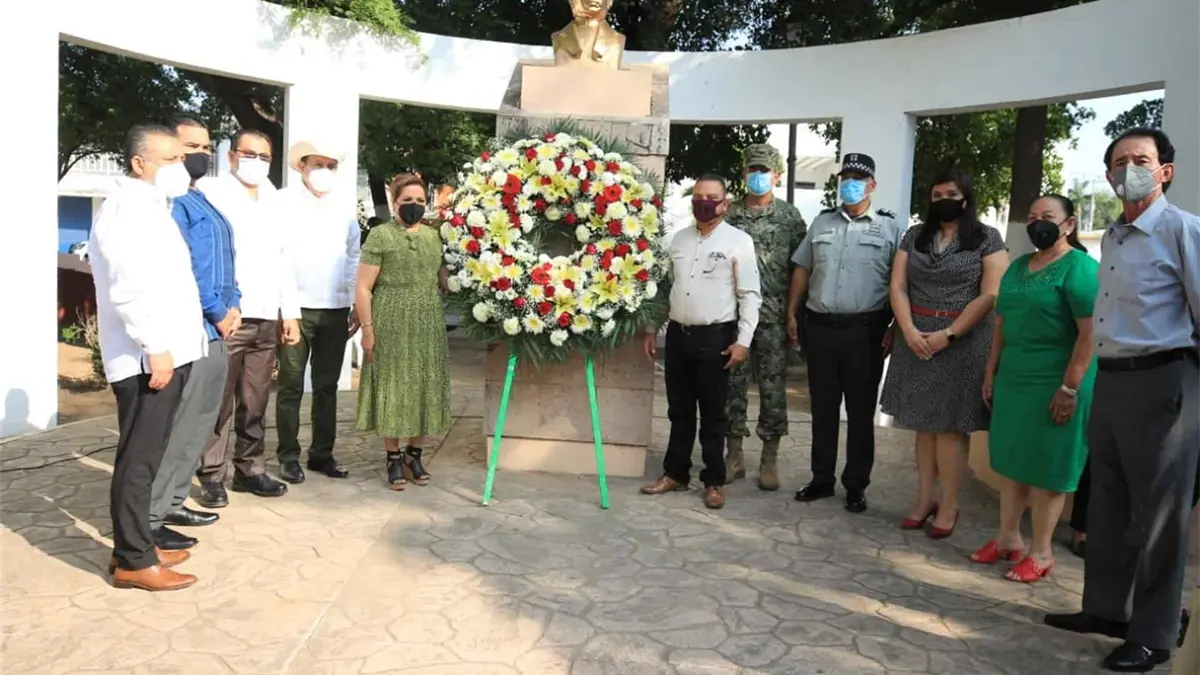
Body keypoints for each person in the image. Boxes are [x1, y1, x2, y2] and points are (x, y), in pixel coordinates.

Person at [1045, 127, 1200, 674]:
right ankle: (1107, 609)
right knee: (1107, 504)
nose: (1128, 169)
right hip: (1110, 379)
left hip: (1163, 382)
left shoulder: (1182, 229)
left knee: (1159, 517)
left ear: (1165, 172)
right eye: (1119, 161)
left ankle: (1154, 634)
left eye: (1141, 159)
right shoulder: (1113, 236)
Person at [89, 124, 207, 590]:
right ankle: (134, 560)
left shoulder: (154, 207)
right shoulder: (125, 211)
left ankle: (136, 545)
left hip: (167, 351)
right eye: (171, 159)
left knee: (149, 455)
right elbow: (128, 288)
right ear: (140, 163)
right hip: (147, 358)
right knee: (138, 460)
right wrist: (154, 348)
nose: (182, 166)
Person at [972, 194, 1098, 584]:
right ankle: (1008, 537)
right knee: (1014, 462)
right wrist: (991, 370)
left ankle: (1041, 552)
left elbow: (1091, 333)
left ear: (1069, 224)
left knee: (1048, 469)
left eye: (1047, 216)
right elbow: (1001, 324)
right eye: (1031, 216)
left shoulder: (1081, 269)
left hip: (1058, 382)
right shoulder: (1018, 267)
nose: (1037, 223)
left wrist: (1070, 387)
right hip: (1015, 378)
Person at [879, 167, 1008, 539]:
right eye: (937, 196)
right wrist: (908, 330)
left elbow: (991, 293)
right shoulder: (914, 236)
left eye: (951, 194)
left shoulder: (987, 238)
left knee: (950, 429)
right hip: (915, 339)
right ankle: (924, 500)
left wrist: (949, 334)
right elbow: (898, 286)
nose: (943, 201)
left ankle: (949, 504)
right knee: (923, 425)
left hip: (962, 342)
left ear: (966, 198)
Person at [786, 153, 904, 514]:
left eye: (858, 178)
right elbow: (803, 269)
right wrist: (791, 310)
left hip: (864, 333)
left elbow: (901, 283)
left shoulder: (890, 228)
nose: (850, 183)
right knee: (822, 409)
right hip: (820, 329)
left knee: (860, 412)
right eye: (845, 177)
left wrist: (896, 326)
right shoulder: (822, 223)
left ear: (872, 185)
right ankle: (821, 478)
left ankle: (855, 483)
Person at [193, 129, 300, 508]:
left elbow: (285, 258)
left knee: (255, 400)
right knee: (219, 401)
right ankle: (211, 475)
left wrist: (290, 313)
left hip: (266, 315)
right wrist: (218, 309)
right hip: (228, 316)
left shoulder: (276, 200)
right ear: (231, 155)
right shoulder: (210, 193)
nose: (256, 162)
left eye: (264, 157)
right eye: (249, 154)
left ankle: (250, 469)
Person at [641, 174, 761, 510]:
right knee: (679, 410)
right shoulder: (678, 240)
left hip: (716, 337)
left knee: (712, 414)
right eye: (698, 197)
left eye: (711, 198)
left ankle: (713, 481)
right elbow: (665, 288)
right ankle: (675, 473)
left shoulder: (738, 241)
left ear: (725, 203)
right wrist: (651, 328)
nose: (703, 203)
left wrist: (743, 341)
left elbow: (750, 295)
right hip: (679, 335)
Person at [148, 115, 241, 552]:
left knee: (200, 421)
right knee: (177, 425)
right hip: (193, 327)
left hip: (217, 328)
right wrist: (219, 311)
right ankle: (152, 514)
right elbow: (186, 268)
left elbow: (224, 260)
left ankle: (174, 500)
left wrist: (234, 302)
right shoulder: (169, 206)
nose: (201, 155)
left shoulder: (200, 198)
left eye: (206, 147)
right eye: (191, 147)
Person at [354, 173, 451, 489]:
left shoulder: (435, 236)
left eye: (420, 200)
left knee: (424, 384)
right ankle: (393, 456)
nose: (414, 205)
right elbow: (363, 287)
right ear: (394, 201)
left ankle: (414, 454)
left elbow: (444, 280)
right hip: (390, 318)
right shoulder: (380, 236)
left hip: (427, 320)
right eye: (407, 200)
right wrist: (367, 329)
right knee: (393, 387)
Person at [275, 139, 362, 484]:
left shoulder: (343, 209)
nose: (324, 171)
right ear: (302, 166)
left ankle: (322, 454)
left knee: (327, 387)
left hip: (335, 311)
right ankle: (288, 456)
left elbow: (353, 256)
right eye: (317, 165)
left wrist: (352, 301)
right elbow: (279, 258)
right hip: (296, 310)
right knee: (291, 386)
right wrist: (288, 311)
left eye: (330, 166)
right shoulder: (283, 203)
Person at [723, 144, 806, 491]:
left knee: (773, 389)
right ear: (744, 173)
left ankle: (769, 458)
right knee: (732, 386)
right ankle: (734, 455)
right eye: (752, 170)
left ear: (777, 175)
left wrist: (793, 312)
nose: (758, 176)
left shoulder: (789, 217)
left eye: (764, 171)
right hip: (733, 316)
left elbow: (801, 267)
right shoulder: (728, 213)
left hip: (772, 316)